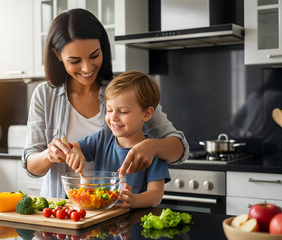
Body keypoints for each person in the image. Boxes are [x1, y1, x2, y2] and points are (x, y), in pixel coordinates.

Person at [22, 8, 188, 198]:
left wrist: (154, 146)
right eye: (75, 60)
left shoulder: (124, 89)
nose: (87, 68)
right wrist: (48, 155)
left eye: (94, 55)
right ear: (58, 55)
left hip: (116, 214)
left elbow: (180, 149)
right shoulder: (44, 95)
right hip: (64, 212)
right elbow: (31, 167)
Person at [65, 71, 170, 209]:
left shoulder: (152, 151)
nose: (113, 117)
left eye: (123, 112)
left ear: (147, 113)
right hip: (100, 220)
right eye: (109, 110)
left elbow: (156, 195)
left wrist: (134, 200)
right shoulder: (102, 139)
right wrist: (75, 152)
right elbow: (70, 147)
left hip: (133, 224)